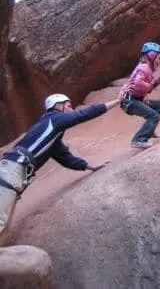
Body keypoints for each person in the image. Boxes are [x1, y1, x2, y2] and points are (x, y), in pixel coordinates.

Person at [0, 92, 121, 243]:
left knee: (4, 230)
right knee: (1, 223)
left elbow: (65, 158)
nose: (72, 110)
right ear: (58, 107)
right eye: (69, 106)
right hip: (11, 170)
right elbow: (82, 115)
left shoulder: (52, 133)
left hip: (15, 174)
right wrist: (117, 101)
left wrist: (90, 167)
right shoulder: (53, 119)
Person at [121, 42, 160, 149]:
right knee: (153, 116)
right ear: (151, 55)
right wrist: (151, 85)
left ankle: (149, 130)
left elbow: (142, 87)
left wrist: (153, 85)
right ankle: (138, 140)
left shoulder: (146, 68)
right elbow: (137, 84)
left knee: (159, 105)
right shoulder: (145, 68)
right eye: (159, 58)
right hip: (130, 101)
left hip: (134, 99)